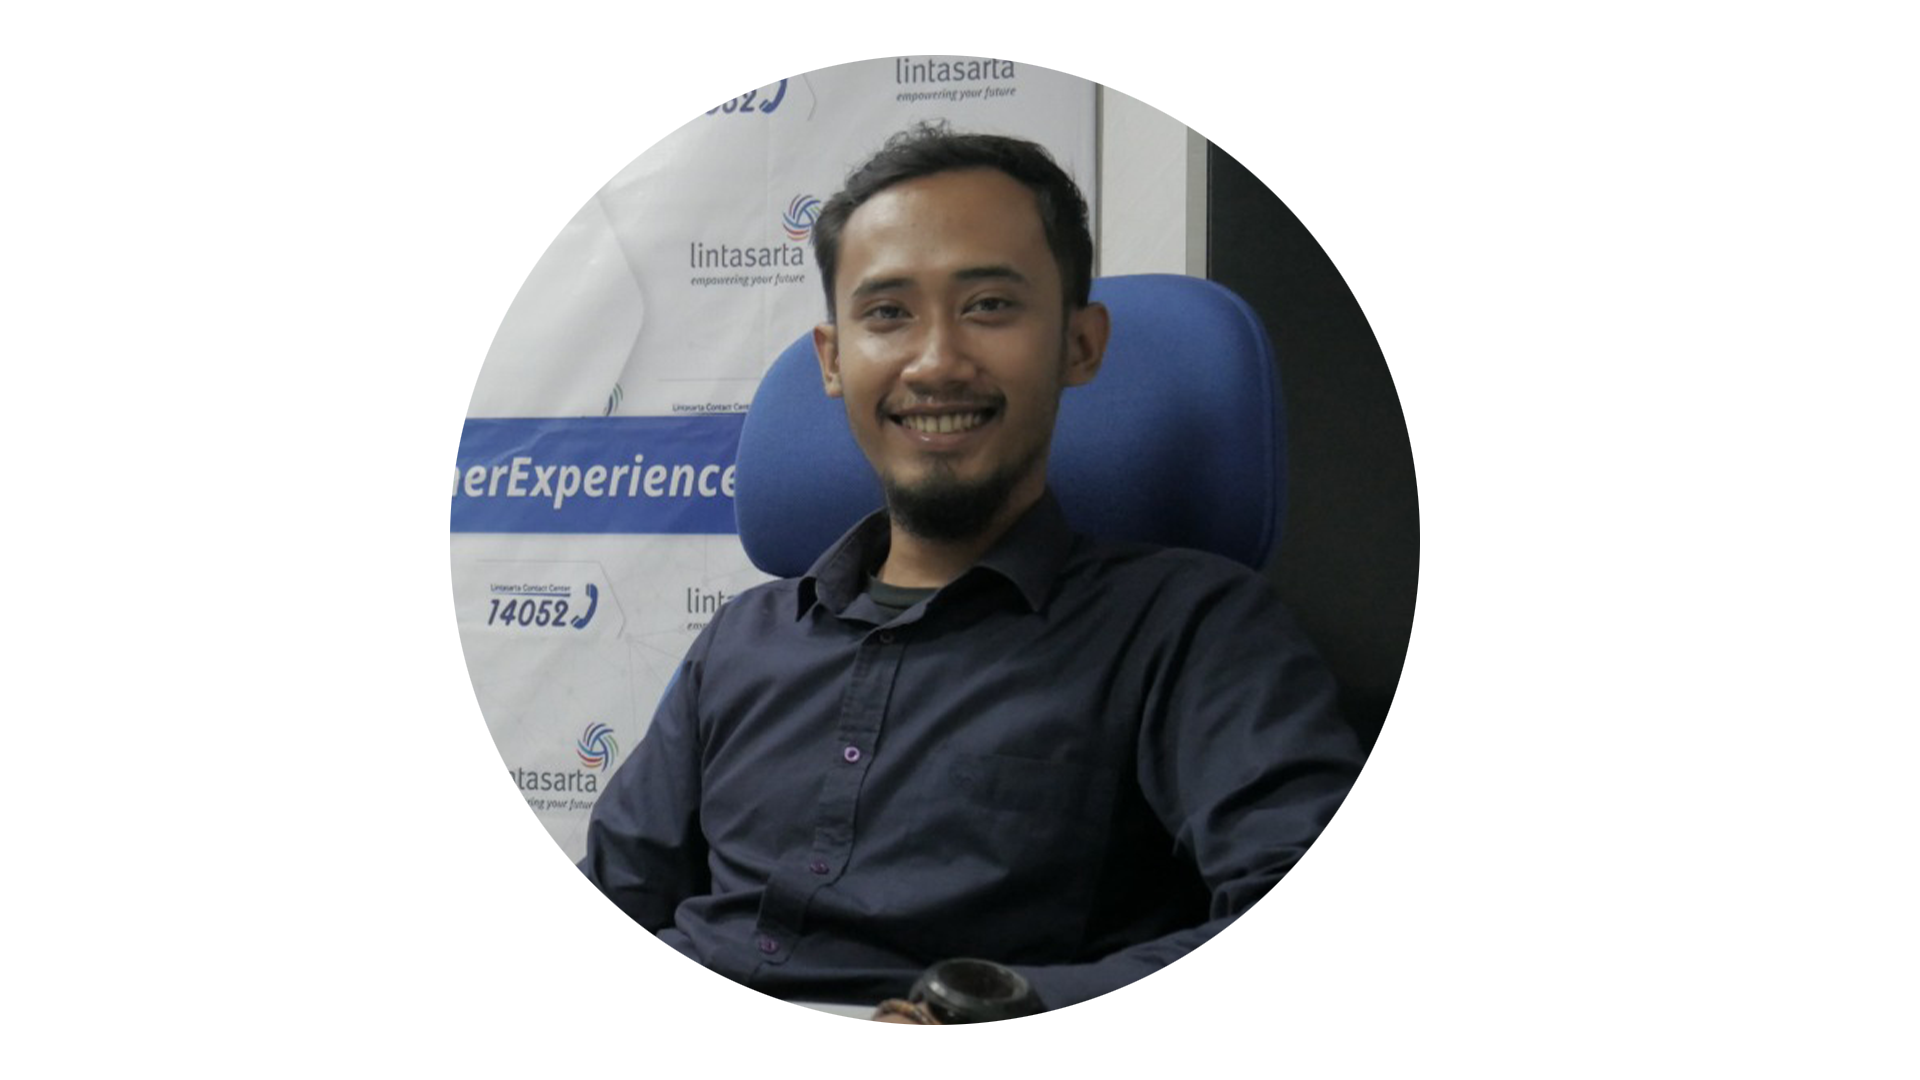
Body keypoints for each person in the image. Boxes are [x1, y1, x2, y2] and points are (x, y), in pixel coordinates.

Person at [456, 123, 1420, 1024]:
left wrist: (1008, 1009)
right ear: (834, 359)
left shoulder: (1188, 627)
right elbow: (598, 917)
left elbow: (1351, 924)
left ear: (1080, 344)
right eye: (887, 313)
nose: (936, 361)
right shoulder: (744, 638)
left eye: (989, 305)